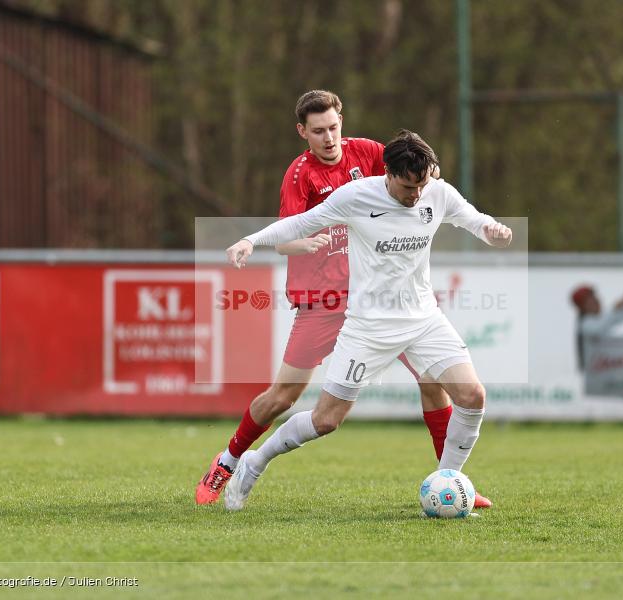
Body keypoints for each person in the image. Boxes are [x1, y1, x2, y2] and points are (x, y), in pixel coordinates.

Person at [195, 91, 492, 508]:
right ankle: (230, 461)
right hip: (325, 299)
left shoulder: (370, 153)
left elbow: (414, 171)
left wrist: (433, 175)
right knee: (288, 398)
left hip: (391, 301)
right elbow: (290, 235)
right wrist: (287, 242)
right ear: (303, 132)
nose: (329, 138)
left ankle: (449, 481)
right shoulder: (300, 176)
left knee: (436, 385)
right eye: (319, 131)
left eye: (334, 127)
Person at [570, 283, 623, 371]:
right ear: (583, 307)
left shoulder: (596, 319)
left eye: (596, 297)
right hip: (596, 373)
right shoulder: (585, 324)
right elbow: (600, 326)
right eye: (592, 299)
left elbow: (620, 316)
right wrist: (616, 307)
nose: (597, 301)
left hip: (608, 366)